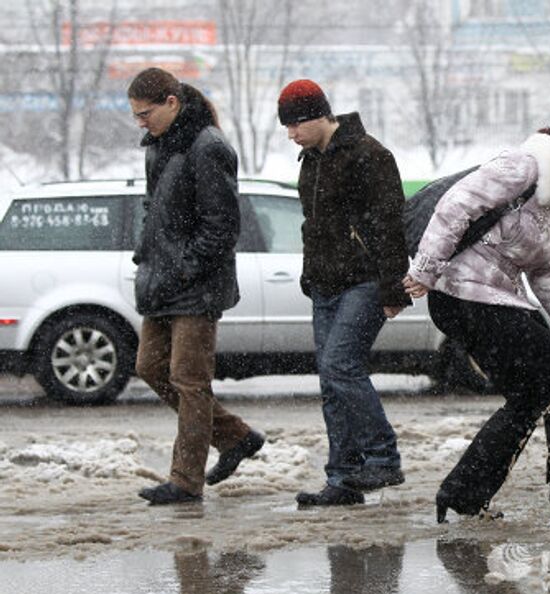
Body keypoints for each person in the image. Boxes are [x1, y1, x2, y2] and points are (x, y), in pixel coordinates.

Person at [403, 126, 550, 523]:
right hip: (464, 295)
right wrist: (426, 269)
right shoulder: (523, 167)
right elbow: (456, 206)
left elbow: (546, 274)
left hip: (490, 299)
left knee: (530, 396)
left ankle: (464, 492)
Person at [128, 67, 264, 505]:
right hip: (161, 279)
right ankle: (236, 436)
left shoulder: (208, 147)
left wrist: (184, 269)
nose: (140, 122)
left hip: (195, 285)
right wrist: (147, 255)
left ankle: (185, 481)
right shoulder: (158, 146)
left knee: (189, 381)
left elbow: (222, 225)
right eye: (135, 115)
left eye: (145, 113)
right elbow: (155, 210)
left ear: (172, 102)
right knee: (150, 367)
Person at [278, 79, 411, 507]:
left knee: (340, 366)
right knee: (331, 381)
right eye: (286, 126)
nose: (291, 134)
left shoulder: (369, 155)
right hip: (324, 283)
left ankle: (383, 457)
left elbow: (391, 225)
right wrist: (308, 272)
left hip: (364, 280)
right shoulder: (311, 160)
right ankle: (344, 476)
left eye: (296, 124)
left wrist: (393, 286)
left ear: (320, 115)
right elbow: (312, 225)